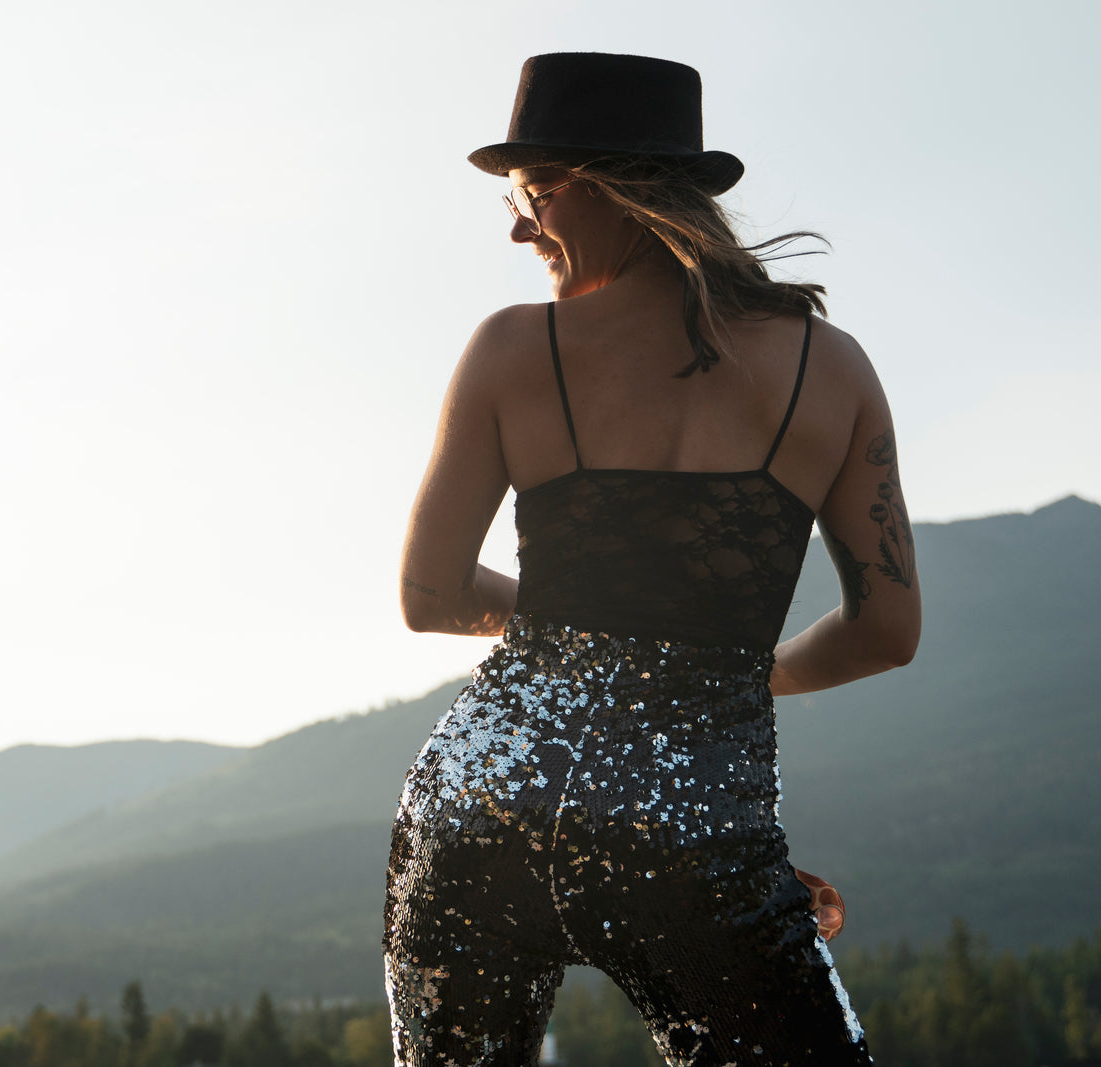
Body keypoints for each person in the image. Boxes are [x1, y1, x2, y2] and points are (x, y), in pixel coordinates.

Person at [382, 53, 921, 1065]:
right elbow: (886, 630)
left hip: (476, 804)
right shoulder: (830, 366)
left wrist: (580, 641)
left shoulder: (510, 347)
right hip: (692, 830)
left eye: (533, 195)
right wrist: (715, 670)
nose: (516, 227)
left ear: (608, 186)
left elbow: (430, 593)